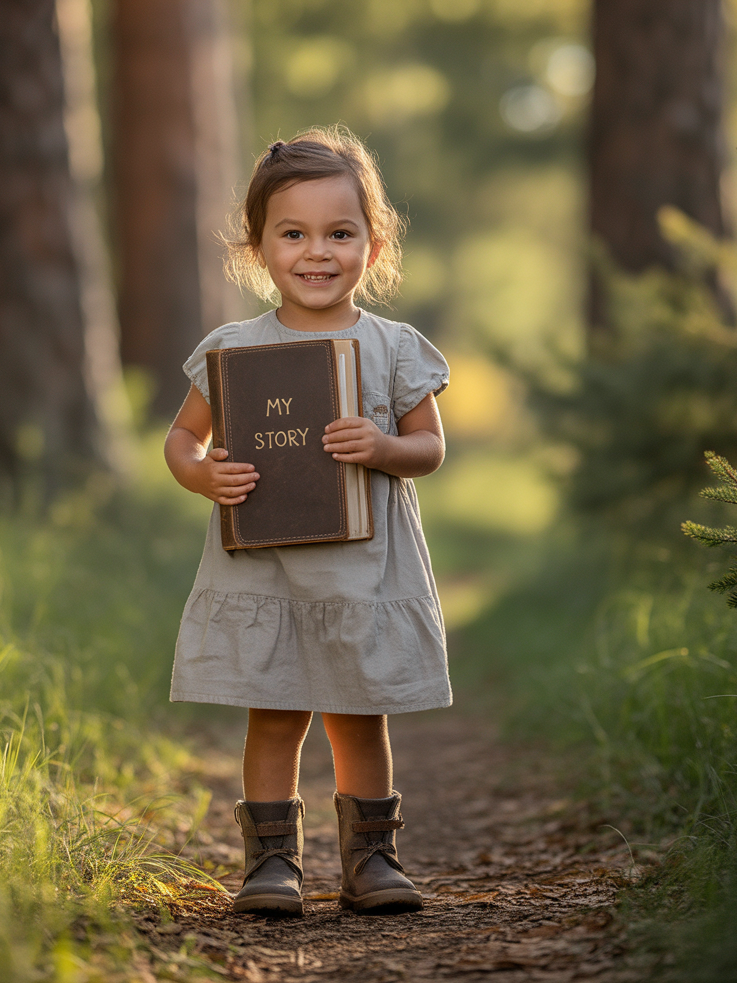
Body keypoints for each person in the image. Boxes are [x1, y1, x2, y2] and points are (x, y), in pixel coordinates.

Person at [164, 126, 451, 917]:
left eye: (339, 233)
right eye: (292, 234)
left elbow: (430, 449)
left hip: (364, 573)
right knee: (275, 710)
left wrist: (384, 447)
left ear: (373, 245)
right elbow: (182, 438)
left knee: (360, 714)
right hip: (268, 568)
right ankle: (270, 865)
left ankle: (372, 860)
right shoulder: (234, 350)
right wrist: (201, 473)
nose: (316, 252)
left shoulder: (393, 348)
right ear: (257, 247)